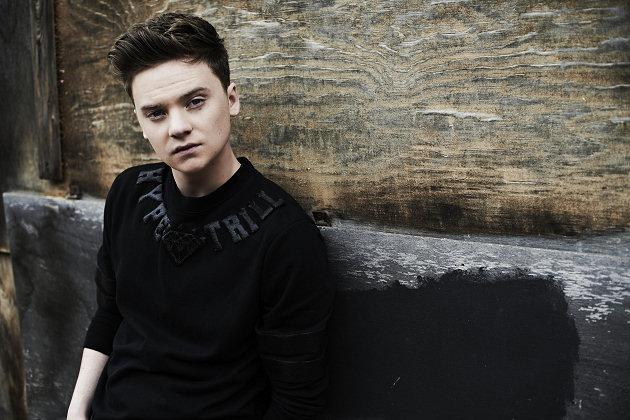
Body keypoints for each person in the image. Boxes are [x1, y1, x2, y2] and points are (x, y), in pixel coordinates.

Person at [67, 12, 335, 420]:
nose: (178, 127)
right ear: (140, 124)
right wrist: (75, 413)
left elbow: (298, 402)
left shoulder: (284, 237)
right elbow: (110, 315)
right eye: (156, 113)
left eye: (195, 102)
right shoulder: (127, 193)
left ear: (231, 100)